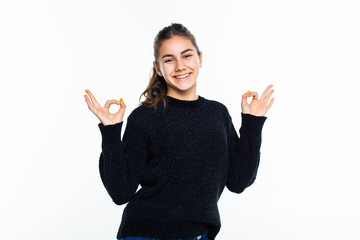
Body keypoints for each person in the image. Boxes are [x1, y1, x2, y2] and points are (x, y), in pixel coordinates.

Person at [84, 23, 274, 240]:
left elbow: (239, 181)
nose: (180, 66)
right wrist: (110, 133)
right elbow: (120, 193)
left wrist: (253, 123)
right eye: (169, 59)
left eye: (187, 56)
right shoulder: (145, 117)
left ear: (200, 59)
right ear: (158, 68)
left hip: (199, 235)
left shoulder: (217, 114)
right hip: (146, 234)